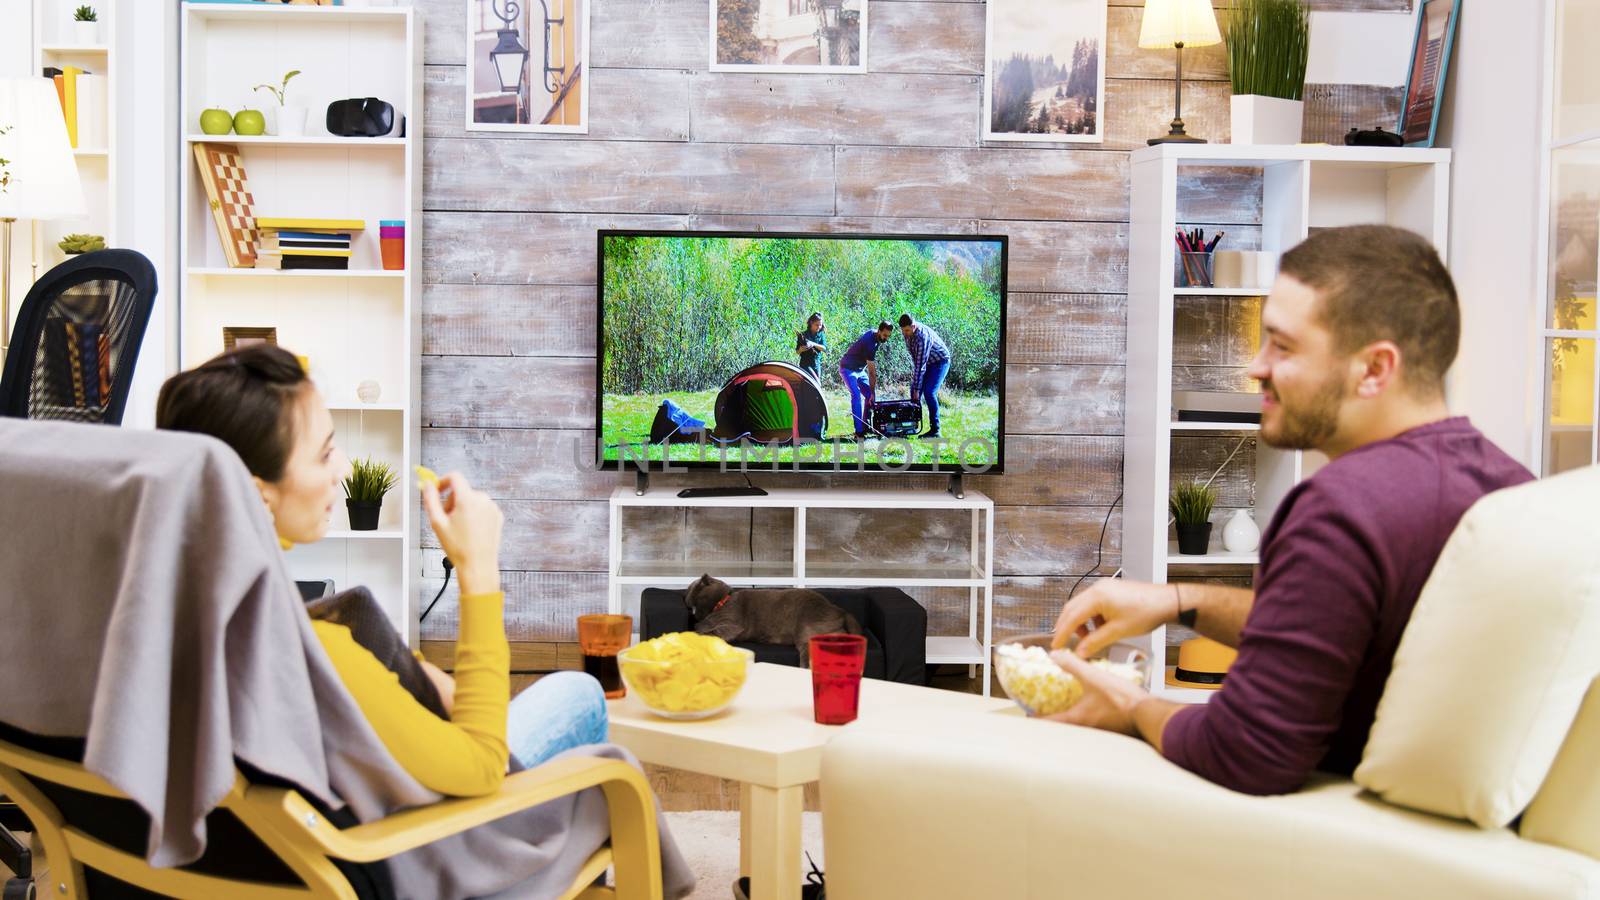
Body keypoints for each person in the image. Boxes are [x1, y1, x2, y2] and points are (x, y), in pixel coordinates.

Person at [1047, 225, 1533, 795]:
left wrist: (1131, 708)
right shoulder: (1507, 483)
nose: (1256, 368)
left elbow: (1245, 754)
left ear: (1374, 369)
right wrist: (1178, 601)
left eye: (1282, 345)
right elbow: (1344, 633)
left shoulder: (1341, 509)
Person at [155, 345, 608, 795]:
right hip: (421, 846)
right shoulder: (319, 654)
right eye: (324, 454)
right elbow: (485, 766)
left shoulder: (163, 618)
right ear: (257, 496)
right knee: (580, 694)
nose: (345, 468)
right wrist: (478, 568)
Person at [838, 320, 894, 440]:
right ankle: (859, 433)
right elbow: (872, 373)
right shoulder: (870, 344)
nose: (886, 338)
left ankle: (866, 425)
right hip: (847, 369)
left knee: (870, 396)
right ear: (879, 331)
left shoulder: (875, 335)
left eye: (888, 336)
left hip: (859, 370)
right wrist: (873, 392)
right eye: (885, 335)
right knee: (856, 396)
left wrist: (872, 393)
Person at [899, 313, 950, 439]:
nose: (904, 333)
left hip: (940, 361)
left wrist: (918, 388)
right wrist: (915, 388)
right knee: (913, 392)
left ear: (913, 326)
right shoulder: (907, 334)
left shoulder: (922, 337)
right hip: (926, 363)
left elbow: (920, 365)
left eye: (906, 330)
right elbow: (916, 359)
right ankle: (911, 427)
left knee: (929, 392)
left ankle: (935, 430)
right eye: (903, 330)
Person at [795, 311, 827, 382]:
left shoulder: (821, 335)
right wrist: (801, 349)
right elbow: (797, 351)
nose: (819, 327)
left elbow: (824, 348)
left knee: (817, 384)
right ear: (811, 323)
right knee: (808, 384)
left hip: (816, 363)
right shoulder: (803, 334)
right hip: (805, 364)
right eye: (816, 325)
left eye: (820, 325)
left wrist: (813, 344)